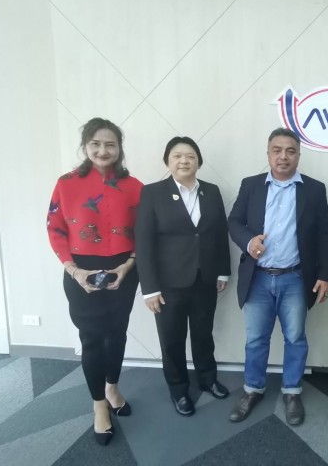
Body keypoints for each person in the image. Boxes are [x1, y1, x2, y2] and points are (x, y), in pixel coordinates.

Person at [227, 127, 328, 426]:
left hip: (295, 279)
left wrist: (326, 275)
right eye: (277, 150)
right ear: (268, 153)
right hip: (258, 278)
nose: (283, 156)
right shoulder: (251, 185)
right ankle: (253, 389)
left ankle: (292, 391)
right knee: (255, 339)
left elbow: (324, 234)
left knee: (295, 338)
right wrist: (249, 241)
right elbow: (234, 221)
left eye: (290, 151)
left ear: (299, 155)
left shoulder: (314, 189)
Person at [47, 118, 142, 445]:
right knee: (91, 338)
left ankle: (112, 388)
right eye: (96, 144)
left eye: (110, 144)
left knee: (117, 333)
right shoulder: (66, 183)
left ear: (119, 148)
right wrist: (74, 270)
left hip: (124, 268)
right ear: (86, 146)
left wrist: (129, 265)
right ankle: (99, 404)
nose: (103, 150)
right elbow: (55, 228)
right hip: (80, 269)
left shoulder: (135, 186)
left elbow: (144, 231)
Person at [135, 136, 231, 417]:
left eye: (190, 156)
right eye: (177, 156)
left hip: (205, 279)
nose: (184, 161)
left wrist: (223, 270)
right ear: (167, 161)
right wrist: (149, 288)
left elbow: (219, 233)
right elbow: (144, 242)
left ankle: (208, 379)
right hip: (168, 284)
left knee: (203, 335)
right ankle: (178, 390)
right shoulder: (153, 193)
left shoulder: (211, 191)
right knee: (172, 340)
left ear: (198, 161)